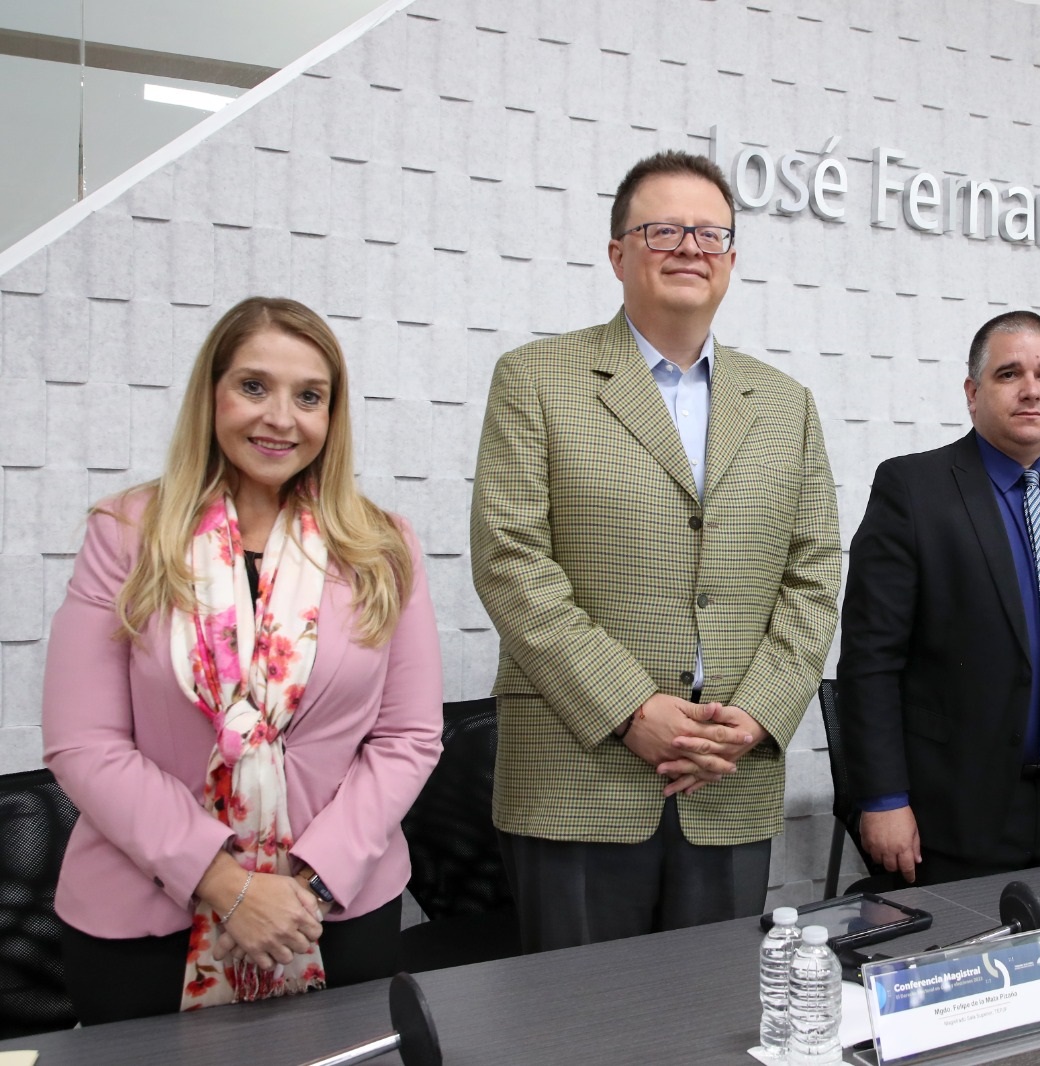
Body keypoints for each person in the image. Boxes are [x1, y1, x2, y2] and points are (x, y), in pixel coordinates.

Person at [471, 150, 840, 950]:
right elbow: (510, 561)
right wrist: (630, 710)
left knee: (714, 1020)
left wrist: (756, 715)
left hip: (729, 774)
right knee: (580, 1028)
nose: (688, 248)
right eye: (663, 229)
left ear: (732, 261)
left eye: (710, 234)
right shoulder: (536, 379)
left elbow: (814, 577)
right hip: (581, 774)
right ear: (617, 254)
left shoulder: (786, 406)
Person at [42, 297, 443, 1023]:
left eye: (309, 396)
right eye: (254, 386)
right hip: (143, 924)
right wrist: (226, 885)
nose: (281, 418)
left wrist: (304, 887)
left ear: (333, 415)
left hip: (333, 911)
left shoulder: (384, 546)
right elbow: (85, 742)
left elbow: (408, 738)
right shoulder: (127, 534)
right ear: (212, 394)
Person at [836, 311, 1040, 886]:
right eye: (1009, 374)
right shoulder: (913, 490)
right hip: (953, 808)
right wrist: (882, 798)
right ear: (973, 393)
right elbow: (871, 660)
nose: (1032, 390)